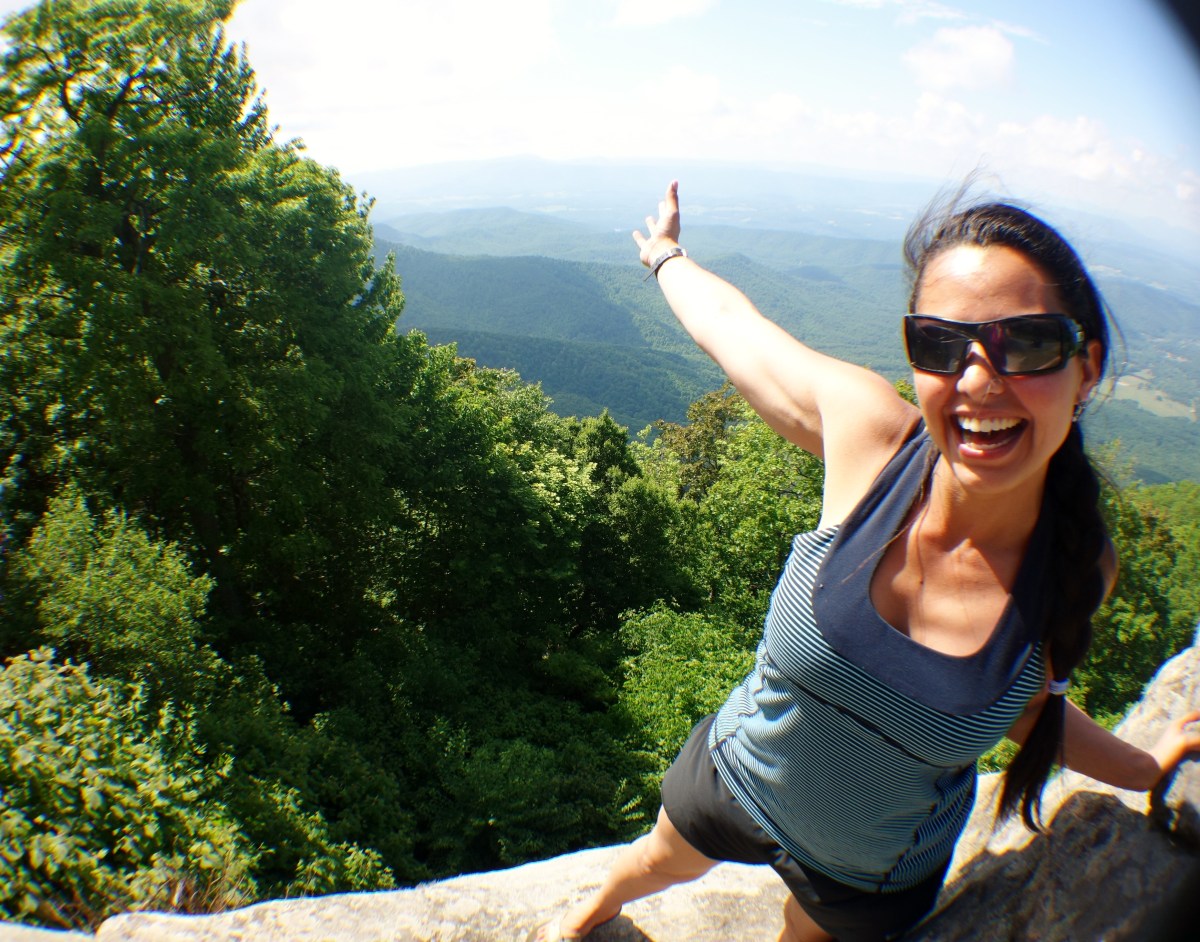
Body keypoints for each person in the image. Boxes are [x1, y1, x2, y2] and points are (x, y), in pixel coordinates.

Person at [536, 181, 1200, 942]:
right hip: (739, 774)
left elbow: (1023, 706)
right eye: (941, 344)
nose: (977, 380)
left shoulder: (1077, 566)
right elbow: (731, 327)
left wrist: (1144, 769)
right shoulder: (870, 440)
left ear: (1086, 368)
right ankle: (590, 911)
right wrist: (665, 256)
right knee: (655, 860)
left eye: (1027, 343)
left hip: (871, 868)